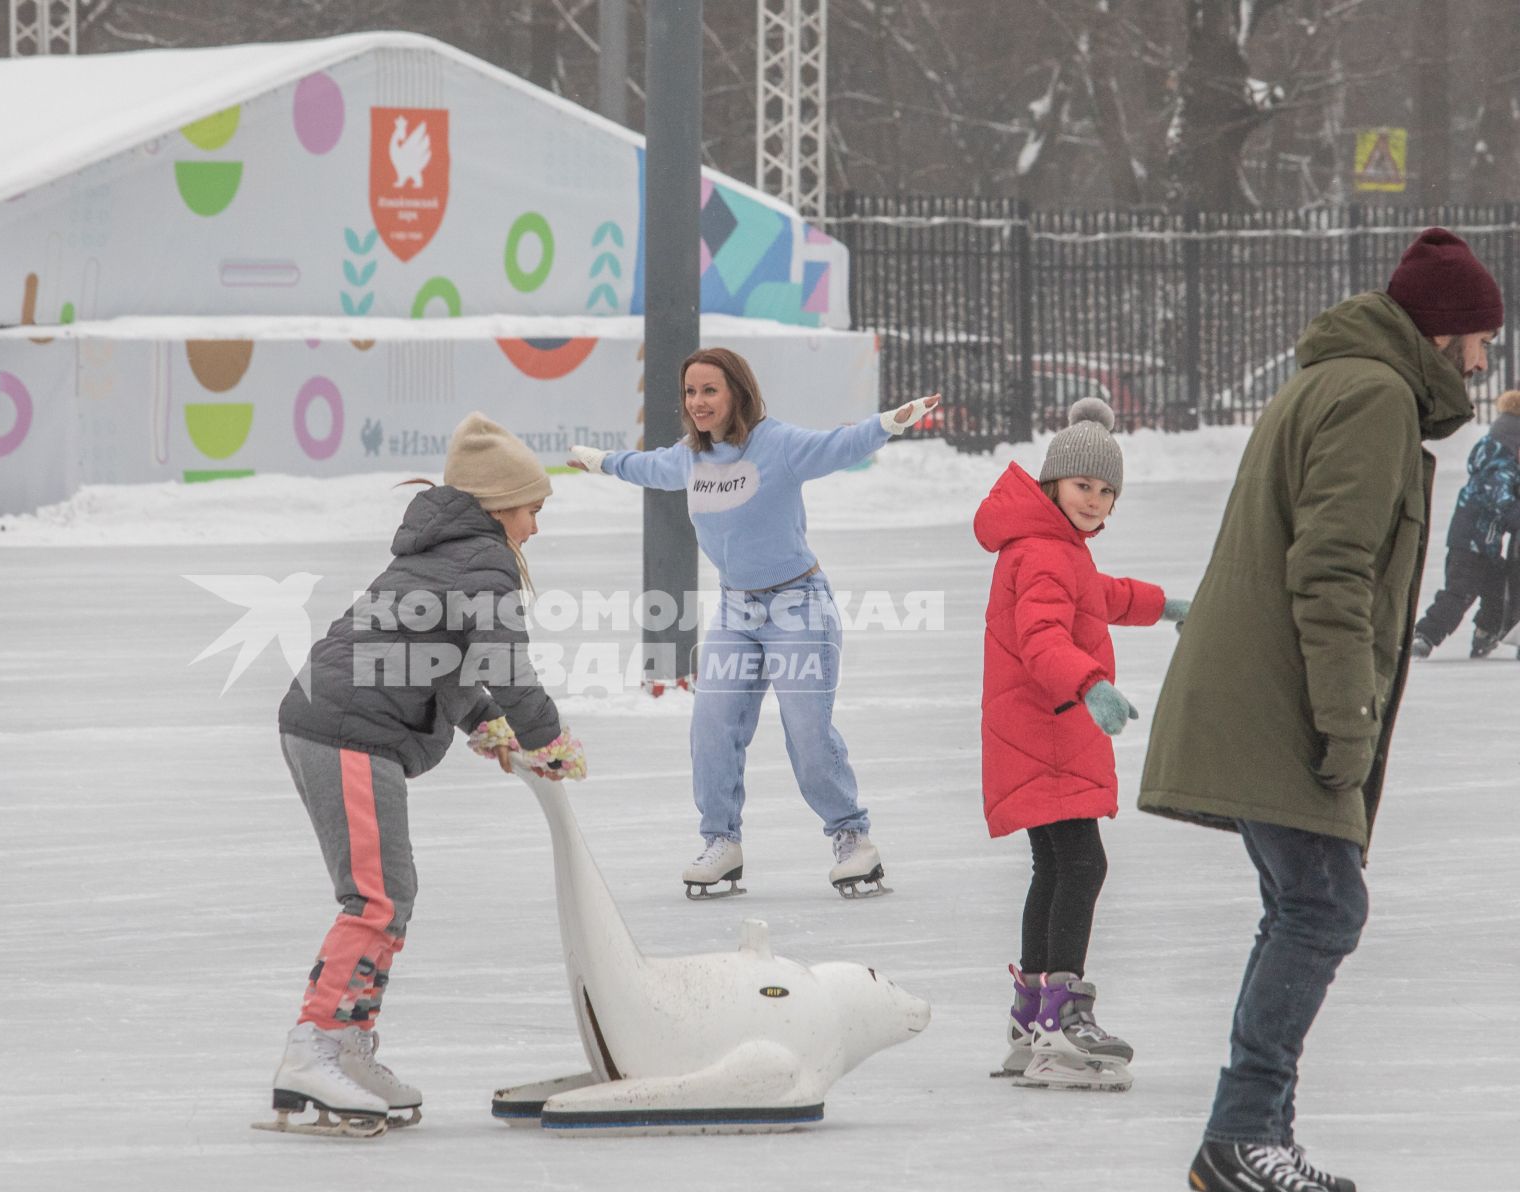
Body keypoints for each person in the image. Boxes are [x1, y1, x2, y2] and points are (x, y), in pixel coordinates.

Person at [1140, 226, 1499, 1192]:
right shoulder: (1376, 397)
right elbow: (1333, 571)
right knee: (1323, 901)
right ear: (1445, 333)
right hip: (1280, 700)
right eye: (1479, 339)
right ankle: (1240, 1139)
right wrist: (1348, 719)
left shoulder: (1341, 381)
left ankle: (1255, 1137)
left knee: (1302, 902)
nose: (1482, 363)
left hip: (1261, 691)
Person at [266, 412, 585, 1137]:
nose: (535, 527)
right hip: (348, 729)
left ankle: (346, 1045)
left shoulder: (440, 553)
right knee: (375, 899)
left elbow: (441, 661)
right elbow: (508, 666)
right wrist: (551, 738)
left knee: (388, 892)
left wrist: (487, 726)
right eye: (533, 510)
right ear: (502, 504)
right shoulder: (484, 560)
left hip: (334, 723)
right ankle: (311, 1049)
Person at [569, 347, 936, 900]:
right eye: (690, 392)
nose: (698, 402)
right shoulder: (690, 459)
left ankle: (852, 836)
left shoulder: (778, 444)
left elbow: (838, 446)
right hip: (737, 611)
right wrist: (600, 461)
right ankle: (722, 843)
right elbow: (644, 467)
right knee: (711, 726)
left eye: (709, 390)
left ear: (737, 391)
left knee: (807, 734)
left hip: (798, 606)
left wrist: (890, 422)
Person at [974, 398, 1183, 1092]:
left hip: (1037, 734)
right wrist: (1091, 686)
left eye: (1105, 491)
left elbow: (1102, 596)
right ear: (1053, 483)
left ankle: (1032, 1014)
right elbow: (1042, 639)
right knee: (1081, 865)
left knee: (1057, 868)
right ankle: (1062, 1019)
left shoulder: (1052, 547)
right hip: (1053, 732)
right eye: (1082, 486)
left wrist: (1169, 606)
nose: (1094, 501)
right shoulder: (1042, 553)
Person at [1412, 387, 1520, 658]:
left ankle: (1485, 634)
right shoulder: (1499, 464)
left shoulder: (1501, 456)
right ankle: (1425, 634)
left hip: (1486, 544)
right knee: (1460, 592)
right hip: (1469, 543)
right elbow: (1500, 501)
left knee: (1496, 592)